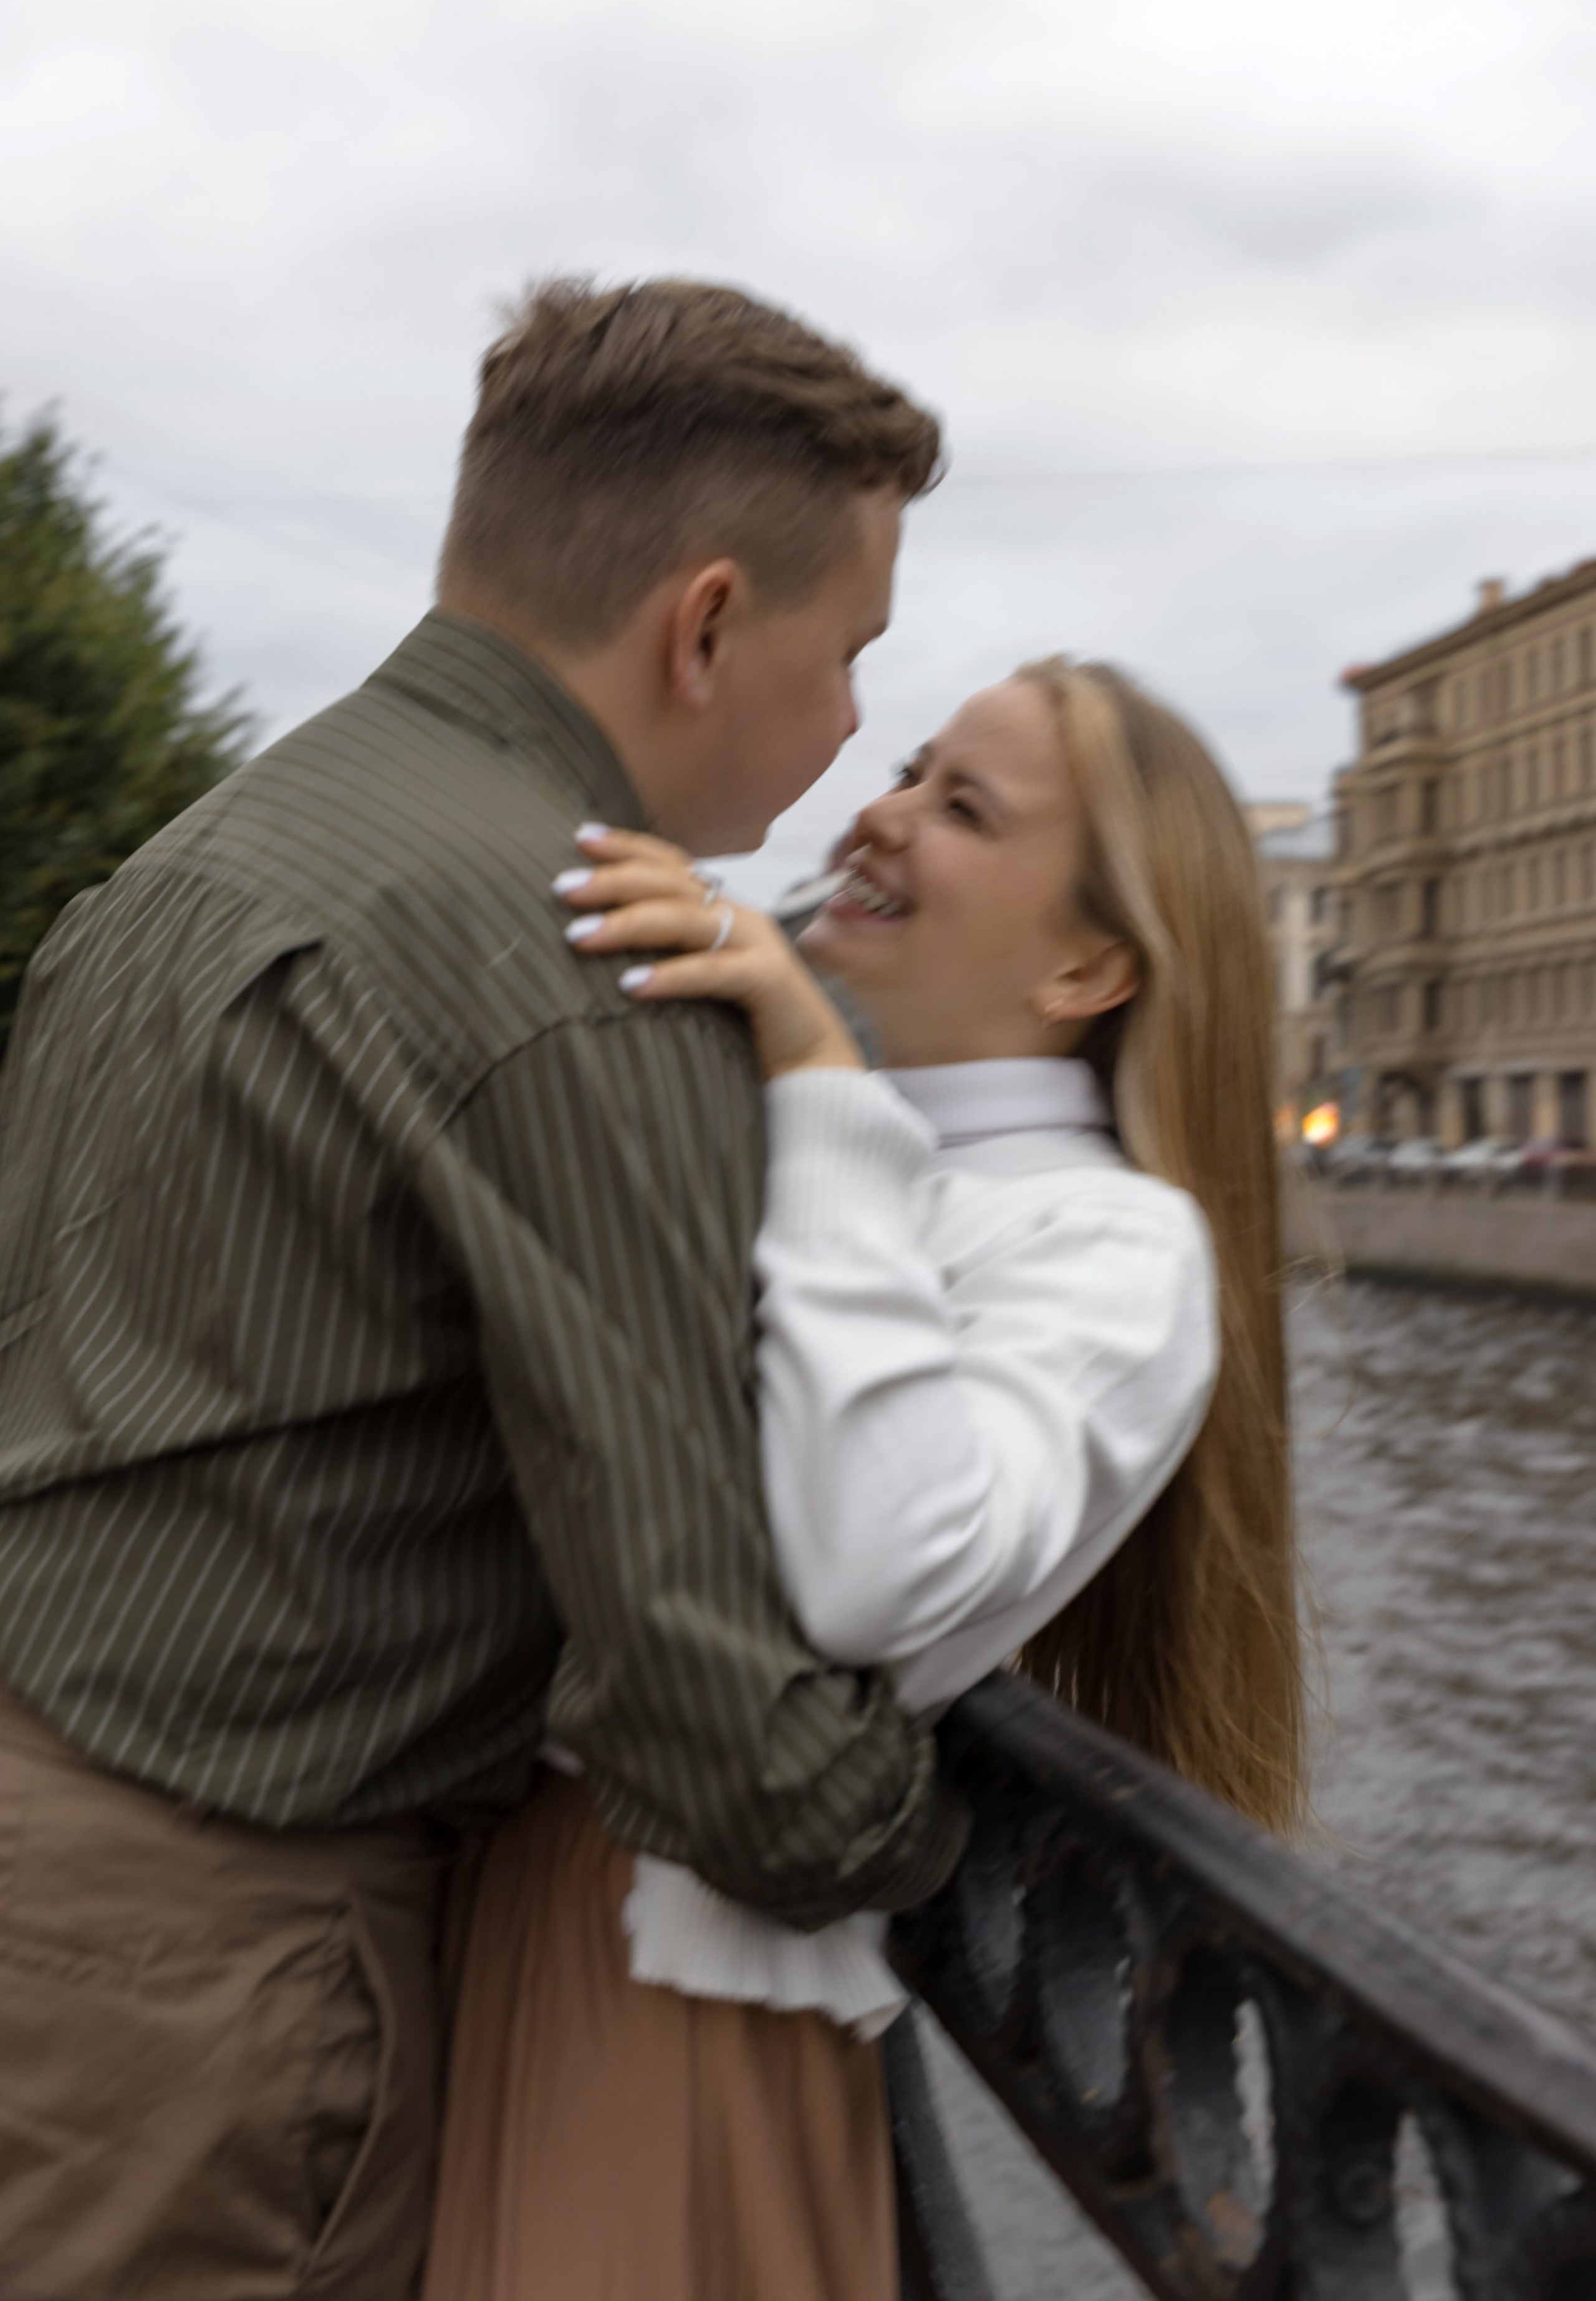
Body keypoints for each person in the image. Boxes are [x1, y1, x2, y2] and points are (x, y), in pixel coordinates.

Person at [0, 277, 968, 2300]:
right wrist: (923, 1841)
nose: (853, 730)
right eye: (853, 654)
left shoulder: (183, 870)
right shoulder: (590, 965)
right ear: (706, 626)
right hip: (216, 1977)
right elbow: (711, 1709)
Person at [423, 657, 1306, 2300]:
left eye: (963, 806)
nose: (882, 817)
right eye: (908, 768)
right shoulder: (798, 1126)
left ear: (1087, 968)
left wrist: (821, 1089)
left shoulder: (1113, 1245)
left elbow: (875, 1571)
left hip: (667, 1962)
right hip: (512, 1884)